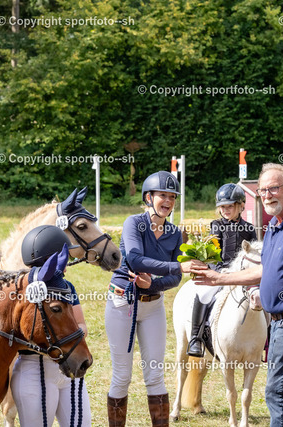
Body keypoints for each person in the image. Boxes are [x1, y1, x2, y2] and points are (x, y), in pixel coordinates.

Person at [191, 163, 283, 427]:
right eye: (263, 191)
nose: (267, 195)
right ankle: (197, 338)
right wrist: (219, 278)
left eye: (273, 188)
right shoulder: (275, 226)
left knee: (276, 392)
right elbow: (264, 271)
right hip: (276, 321)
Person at [105, 171, 204, 426]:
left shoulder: (175, 233)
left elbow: (175, 279)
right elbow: (135, 259)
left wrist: (154, 284)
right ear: (148, 197)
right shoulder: (133, 223)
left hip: (153, 306)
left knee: (155, 375)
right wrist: (177, 266)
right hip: (123, 303)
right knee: (122, 376)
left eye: (172, 197)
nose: (168, 201)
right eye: (163, 195)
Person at [11, 225, 91, 427]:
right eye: (63, 258)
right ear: (50, 260)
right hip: (34, 371)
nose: (68, 263)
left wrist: (75, 334)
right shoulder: (23, 291)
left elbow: (81, 324)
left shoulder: (67, 287)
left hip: (69, 368)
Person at [187, 183, 257, 357]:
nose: (225, 210)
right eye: (222, 207)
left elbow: (254, 253)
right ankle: (195, 338)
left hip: (242, 274)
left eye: (229, 206)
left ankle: (267, 339)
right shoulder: (216, 225)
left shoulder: (249, 229)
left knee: (260, 296)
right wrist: (220, 272)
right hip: (219, 273)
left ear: (241, 206)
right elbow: (213, 253)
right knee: (203, 293)